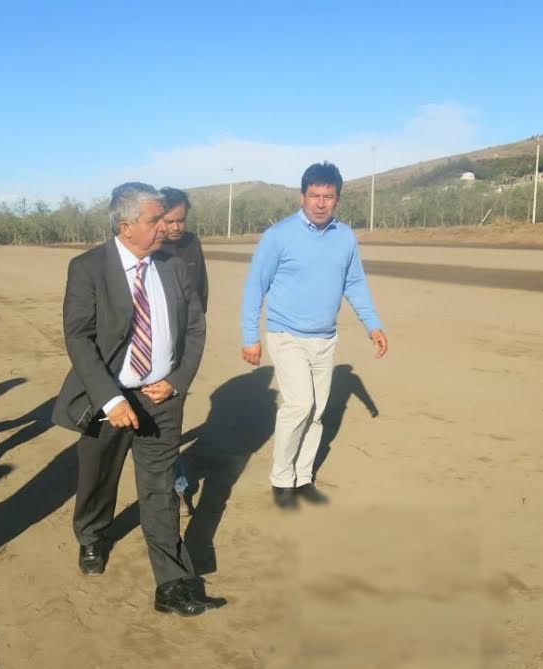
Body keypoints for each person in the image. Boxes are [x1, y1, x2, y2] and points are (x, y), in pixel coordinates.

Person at [52, 182, 221, 616]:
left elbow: (196, 329)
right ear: (126, 226)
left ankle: (174, 583)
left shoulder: (173, 265)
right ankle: (92, 536)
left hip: (163, 396)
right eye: (154, 221)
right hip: (109, 400)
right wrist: (111, 399)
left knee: (160, 488)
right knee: (98, 477)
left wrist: (177, 381)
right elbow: (79, 338)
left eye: (165, 219)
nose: (165, 228)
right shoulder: (88, 268)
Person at [240, 162, 388, 510]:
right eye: (315, 196)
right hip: (286, 334)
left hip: (325, 338)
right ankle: (281, 480)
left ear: (337, 199)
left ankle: (303, 476)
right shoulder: (279, 235)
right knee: (299, 405)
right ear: (302, 195)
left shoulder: (345, 236)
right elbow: (254, 287)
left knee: (318, 410)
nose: (321, 203)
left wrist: (373, 325)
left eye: (329, 197)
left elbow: (355, 284)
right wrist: (250, 336)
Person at [156, 187, 209, 517]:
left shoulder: (191, 245)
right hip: (149, 349)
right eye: (170, 220)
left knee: (170, 426)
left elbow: (201, 296)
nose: (176, 227)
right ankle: (170, 486)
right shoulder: (150, 247)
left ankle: (174, 488)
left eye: (182, 221)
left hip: (179, 352)